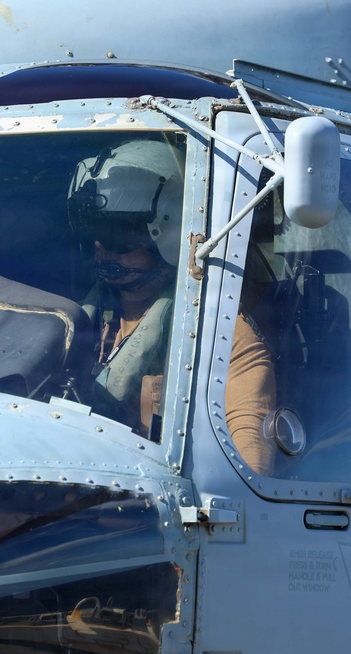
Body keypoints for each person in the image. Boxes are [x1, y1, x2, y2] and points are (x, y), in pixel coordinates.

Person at [68, 137, 277, 466]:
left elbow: (249, 453)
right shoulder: (71, 322)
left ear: (166, 235)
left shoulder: (221, 336)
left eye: (116, 235)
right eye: (92, 233)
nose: (100, 248)